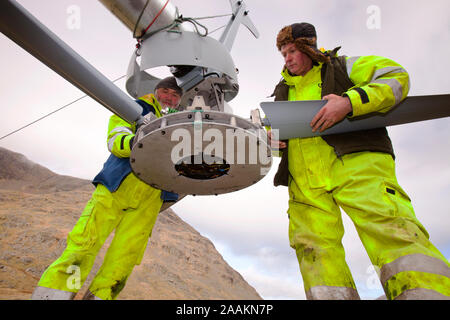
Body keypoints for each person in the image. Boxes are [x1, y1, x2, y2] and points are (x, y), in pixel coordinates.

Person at [268, 22, 450, 300]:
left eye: (292, 50)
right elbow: (285, 142)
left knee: (389, 228)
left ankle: (426, 293)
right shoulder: (282, 91)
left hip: (358, 169)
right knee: (313, 248)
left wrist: (349, 102)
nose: (287, 58)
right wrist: (273, 142)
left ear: (308, 47)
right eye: (283, 53)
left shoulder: (343, 67)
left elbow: (396, 76)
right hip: (305, 186)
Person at [31, 77, 183, 300]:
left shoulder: (180, 124)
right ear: (157, 91)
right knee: (84, 245)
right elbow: (116, 137)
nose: (169, 98)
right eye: (166, 92)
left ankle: (101, 297)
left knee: (125, 256)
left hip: (151, 197)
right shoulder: (136, 108)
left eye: (175, 95)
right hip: (117, 185)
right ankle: (56, 295)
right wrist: (134, 143)